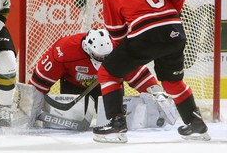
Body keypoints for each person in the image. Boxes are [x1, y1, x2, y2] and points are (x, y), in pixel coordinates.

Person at [92, 0, 210, 143]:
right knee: (172, 83)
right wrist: (170, 17)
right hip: (174, 31)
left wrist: (124, 54)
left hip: (144, 34)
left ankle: (116, 124)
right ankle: (195, 122)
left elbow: (116, 30)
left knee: (107, 72)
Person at [27, 29, 176, 128]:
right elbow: (39, 83)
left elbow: (140, 76)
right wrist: (30, 113)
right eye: (99, 56)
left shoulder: (119, 48)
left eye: (107, 56)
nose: (103, 59)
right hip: (75, 89)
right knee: (71, 127)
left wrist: (157, 94)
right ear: (87, 48)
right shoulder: (64, 50)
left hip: (109, 87)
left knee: (115, 122)